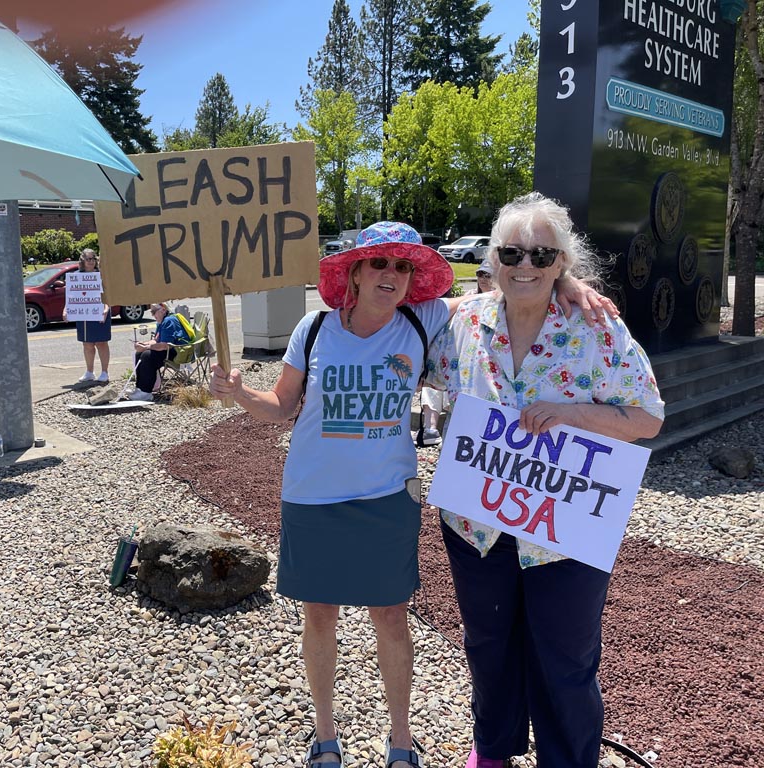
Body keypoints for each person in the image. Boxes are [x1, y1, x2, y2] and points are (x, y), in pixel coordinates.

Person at [208, 221, 613, 768]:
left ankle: (401, 741)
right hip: (312, 496)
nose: (391, 274)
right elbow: (282, 407)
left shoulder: (423, 321)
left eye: (402, 266)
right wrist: (240, 393)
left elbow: (510, 290)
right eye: (378, 262)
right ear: (354, 271)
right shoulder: (314, 328)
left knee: (390, 618)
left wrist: (566, 282)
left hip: (386, 500)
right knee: (320, 615)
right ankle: (325, 736)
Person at [426, 193, 664, 768]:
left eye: (542, 255)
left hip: (566, 530)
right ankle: (493, 750)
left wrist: (571, 413)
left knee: (566, 658)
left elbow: (648, 416)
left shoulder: (596, 327)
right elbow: (393, 311)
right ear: (493, 260)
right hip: (476, 522)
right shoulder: (462, 322)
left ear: (562, 262)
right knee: (488, 646)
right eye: (512, 253)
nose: (525, 265)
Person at [130, 302, 190, 401]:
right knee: (139, 353)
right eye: (151, 312)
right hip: (170, 350)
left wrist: (146, 347)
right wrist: (143, 344)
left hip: (179, 352)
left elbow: (164, 345)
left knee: (147, 356)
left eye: (154, 312)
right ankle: (140, 388)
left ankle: (146, 392)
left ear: (163, 309)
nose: (152, 315)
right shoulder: (161, 321)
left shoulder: (168, 321)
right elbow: (156, 340)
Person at [69, 248, 111, 384]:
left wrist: (106, 309)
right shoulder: (76, 276)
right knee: (87, 344)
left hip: (100, 312)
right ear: (82, 260)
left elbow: (108, 295)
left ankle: (104, 372)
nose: (91, 261)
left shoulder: (102, 275)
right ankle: (89, 371)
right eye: (88, 259)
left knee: (101, 343)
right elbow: (71, 296)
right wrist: (66, 310)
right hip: (84, 314)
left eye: (93, 258)